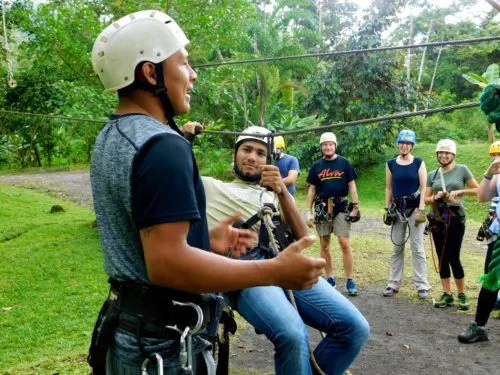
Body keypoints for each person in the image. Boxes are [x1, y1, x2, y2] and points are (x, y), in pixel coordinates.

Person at [88, 10, 325, 374]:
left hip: (127, 333)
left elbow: (145, 243)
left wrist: (205, 242)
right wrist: (274, 270)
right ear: (150, 73)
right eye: (183, 63)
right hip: (162, 347)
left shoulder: (111, 136)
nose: (193, 75)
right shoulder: (163, 146)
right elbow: (166, 264)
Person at [202, 126, 370, 375]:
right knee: (292, 334)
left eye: (260, 153)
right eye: (246, 150)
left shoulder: (272, 196)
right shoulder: (209, 187)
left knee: (355, 328)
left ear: (268, 160)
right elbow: (176, 177)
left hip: (281, 262)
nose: (252, 157)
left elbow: (303, 236)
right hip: (247, 270)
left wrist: (281, 191)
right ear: (235, 154)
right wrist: (184, 138)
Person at [424, 139, 479, 310]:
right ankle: (447, 294)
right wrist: (435, 197)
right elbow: (425, 199)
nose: (443, 155)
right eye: (441, 153)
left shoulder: (462, 169)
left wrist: (460, 191)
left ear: (453, 155)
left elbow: (477, 189)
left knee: (454, 256)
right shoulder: (432, 174)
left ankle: (462, 294)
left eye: (447, 153)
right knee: (442, 257)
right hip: (438, 219)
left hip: (455, 219)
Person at [306, 132, 361, 296]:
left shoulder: (344, 163)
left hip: (341, 205)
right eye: (325, 144)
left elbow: (352, 186)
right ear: (321, 147)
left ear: (335, 145)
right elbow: (312, 190)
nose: (328, 147)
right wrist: (308, 211)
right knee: (324, 243)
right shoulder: (317, 166)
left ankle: (350, 280)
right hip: (322, 206)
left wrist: (356, 206)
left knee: (344, 242)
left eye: (330, 144)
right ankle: (330, 278)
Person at [458, 141, 500, 343]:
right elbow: (482, 197)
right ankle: (479, 327)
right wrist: (489, 172)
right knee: (490, 281)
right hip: (498, 237)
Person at [383, 130, 431, 298]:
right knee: (397, 247)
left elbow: (424, 188)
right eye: (402, 142)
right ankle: (393, 284)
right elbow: (388, 188)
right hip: (397, 210)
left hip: (415, 208)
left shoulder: (418, 163)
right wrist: (387, 208)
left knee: (417, 248)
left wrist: (421, 208)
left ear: (412, 146)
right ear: (398, 144)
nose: (404, 145)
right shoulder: (390, 164)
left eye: (408, 143)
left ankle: (422, 285)